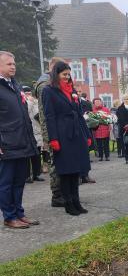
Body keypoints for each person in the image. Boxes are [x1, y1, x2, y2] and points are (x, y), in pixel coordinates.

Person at [42, 61, 91, 216]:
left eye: (69, 74)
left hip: (76, 134)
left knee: (76, 170)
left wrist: (87, 135)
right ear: (56, 74)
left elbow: (79, 113)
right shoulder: (48, 91)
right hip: (62, 134)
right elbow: (49, 117)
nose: (67, 77)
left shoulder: (71, 91)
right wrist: (53, 139)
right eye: (64, 74)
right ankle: (68, 204)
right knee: (66, 171)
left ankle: (77, 202)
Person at [0, 51, 40, 229]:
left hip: (22, 141)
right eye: (9, 64)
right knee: (6, 183)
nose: (13, 66)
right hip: (6, 144)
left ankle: (19, 213)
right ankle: (9, 217)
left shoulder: (14, 85)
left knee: (19, 181)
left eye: (14, 63)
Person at [34, 57, 65, 206]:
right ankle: (57, 195)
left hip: (58, 128)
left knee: (62, 161)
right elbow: (46, 112)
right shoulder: (45, 85)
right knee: (56, 162)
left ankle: (63, 192)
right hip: (51, 130)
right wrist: (50, 135)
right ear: (52, 67)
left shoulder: (52, 82)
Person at [22, 85, 45, 183]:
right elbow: (25, 111)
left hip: (36, 131)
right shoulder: (24, 102)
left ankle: (36, 174)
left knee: (37, 154)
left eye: (29, 93)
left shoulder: (34, 102)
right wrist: (30, 102)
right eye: (26, 94)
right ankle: (27, 175)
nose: (28, 95)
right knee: (27, 156)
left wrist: (35, 102)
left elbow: (38, 114)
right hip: (27, 132)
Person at [92, 97, 111, 162]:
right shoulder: (93, 110)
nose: (97, 103)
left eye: (98, 102)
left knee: (106, 144)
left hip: (105, 128)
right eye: (96, 102)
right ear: (94, 103)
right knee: (99, 145)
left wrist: (109, 127)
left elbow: (109, 118)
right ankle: (100, 156)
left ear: (101, 102)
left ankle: (107, 156)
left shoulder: (106, 109)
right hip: (97, 130)